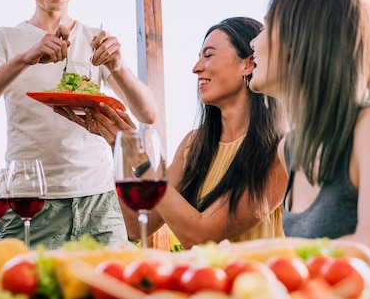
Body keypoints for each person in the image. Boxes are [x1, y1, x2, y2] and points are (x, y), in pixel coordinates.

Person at [0, 0, 157, 248]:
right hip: (29, 201)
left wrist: (118, 65)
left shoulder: (97, 39)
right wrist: (25, 58)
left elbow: (148, 112)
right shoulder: (5, 39)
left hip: (98, 202)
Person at [63, 17, 288, 247]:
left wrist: (141, 160)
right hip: (202, 281)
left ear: (248, 64)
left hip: (257, 282)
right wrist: (120, 148)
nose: (196, 67)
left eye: (208, 55)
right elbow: (138, 224)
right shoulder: (194, 144)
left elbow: (201, 236)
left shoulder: (278, 152)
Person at [249, 0, 370, 284]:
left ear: (301, 39)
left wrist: (262, 259)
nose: (254, 43)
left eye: (266, 27)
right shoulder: (290, 149)